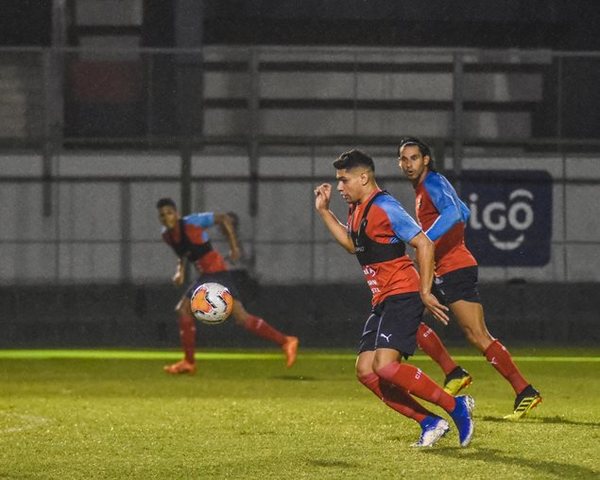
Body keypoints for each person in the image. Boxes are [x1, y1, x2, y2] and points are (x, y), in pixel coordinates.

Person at [314, 149, 474, 448]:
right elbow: (352, 245)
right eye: (338, 181)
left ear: (364, 178)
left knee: (385, 367)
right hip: (383, 299)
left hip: (404, 293)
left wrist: (425, 292)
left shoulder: (385, 206)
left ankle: (456, 406)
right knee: (365, 370)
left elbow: (423, 244)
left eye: (344, 180)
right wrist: (324, 211)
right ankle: (430, 421)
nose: (339, 187)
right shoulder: (357, 207)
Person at [397, 136, 542, 420]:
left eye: (414, 157)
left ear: (425, 160)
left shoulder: (431, 183)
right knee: (405, 313)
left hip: (455, 269)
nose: (408, 164)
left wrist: (425, 239)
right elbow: (464, 209)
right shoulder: (429, 186)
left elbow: (454, 214)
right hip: (446, 267)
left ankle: (524, 390)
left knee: (477, 335)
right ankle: (454, 372)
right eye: (403, 159)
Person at [156, 197, 299, 374]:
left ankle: (189, 362)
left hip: (215, 273)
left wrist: (234, 247)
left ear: (176, 214)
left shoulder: (192, 222)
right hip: (211, 275)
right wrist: (180, 271)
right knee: (242, 318)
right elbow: (183, 252)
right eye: (162, 215)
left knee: (184, 310)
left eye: (169, 213)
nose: (166, 217)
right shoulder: (167, 235)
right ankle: (286, 341)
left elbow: (223, 218)